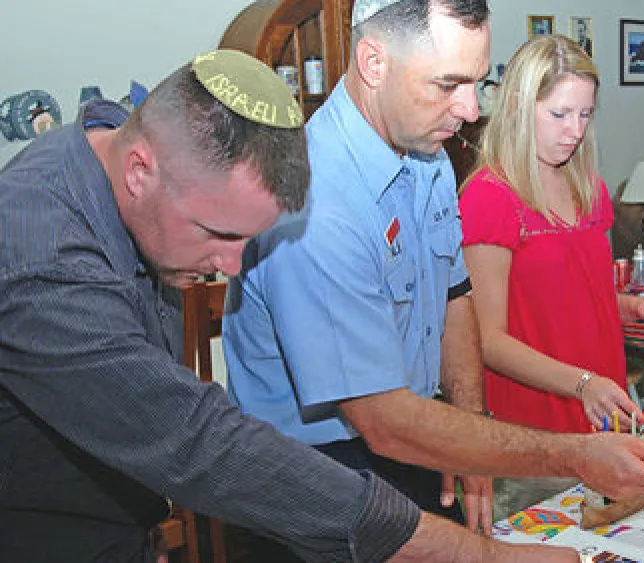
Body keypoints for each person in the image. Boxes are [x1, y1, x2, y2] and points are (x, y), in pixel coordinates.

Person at [0, 48, 579, 562]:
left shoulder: (110, 146)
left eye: (246, 241)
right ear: (139, 171)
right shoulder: (41, 260)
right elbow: (200, 443)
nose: (228, 266)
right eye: (218, 234)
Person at [223, 0, 644, 550]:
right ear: (373, 63)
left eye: (477, 82)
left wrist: (469, 427)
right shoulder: (317, 201)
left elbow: (455, 296)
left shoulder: (426, 152)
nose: (470, 108)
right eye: (449, 84)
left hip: (409, 440)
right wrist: (571, 452)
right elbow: (381, 419)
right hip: (312, 477)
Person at [458, 35, 644, 517]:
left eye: (584, 115)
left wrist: (630, 306)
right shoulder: (490, 197)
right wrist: (582, 383)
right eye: (559, 114)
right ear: (517, 106)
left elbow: (580, 293)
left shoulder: (588, 188)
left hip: (605, 422)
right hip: (538, 437)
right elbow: (487, 340)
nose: (574, 130)